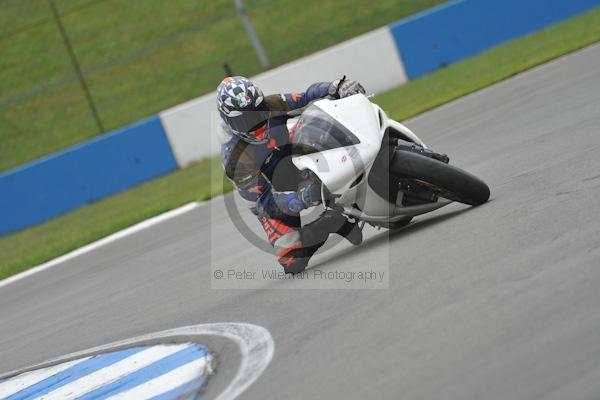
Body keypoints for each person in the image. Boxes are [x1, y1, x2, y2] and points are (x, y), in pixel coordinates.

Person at [217, 75, 366, 274]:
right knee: (293, 261)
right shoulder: (235, 159)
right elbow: (264, 202)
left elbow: (307, 96)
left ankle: (356, 177)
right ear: (230, 122)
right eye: (245, 120)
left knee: (315, 124)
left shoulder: (272, 104)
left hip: (298, 161)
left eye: (257, 111)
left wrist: (336, 86)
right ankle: (332, 222)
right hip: (272, 197)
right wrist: (299, 198)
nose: (255, 121)